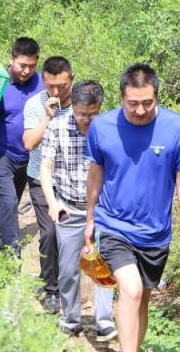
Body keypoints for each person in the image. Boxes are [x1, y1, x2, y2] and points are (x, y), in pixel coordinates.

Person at [84, 63, 180, 352]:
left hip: (155, 233)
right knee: (131, 289)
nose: (140, 110)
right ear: (121, 97)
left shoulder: (177, 128)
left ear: (157, 96)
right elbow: (95, 174)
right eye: (133, 103)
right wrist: (90, 219)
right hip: (113, 225)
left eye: (147, 103)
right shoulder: (102, 127)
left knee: (141, 300)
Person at [40, 80, 117, 342]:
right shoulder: (57, 126)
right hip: (69, 208)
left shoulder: (109, 130)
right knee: (68, 268)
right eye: (81, 113)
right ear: (72, 105)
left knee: (103, 266)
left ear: (100, 108)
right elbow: (45, 168)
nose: (86, 119)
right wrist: (53, 203)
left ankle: (104, 321)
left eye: (91, 114)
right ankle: (70, 319)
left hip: (103, 210)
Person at [0, 37, 43, 256]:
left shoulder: (41, 83)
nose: (27, 71)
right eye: (22, 65)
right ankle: (11, 256)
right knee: (8, 202)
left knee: (9, 201)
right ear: (11, 59)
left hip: (26, 154)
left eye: (32, 66)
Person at [22, 56, 74, 313]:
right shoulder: (35, 104)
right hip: (40, 178)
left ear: (71, 80)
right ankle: (51, 290)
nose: (55, 91)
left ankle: (71, 285)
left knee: (70, 234)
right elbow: (29, 143)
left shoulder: (81, 103)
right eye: (50, 85)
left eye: (61, 86)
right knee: (50, 233)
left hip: (74, 181)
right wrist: (47, 118)